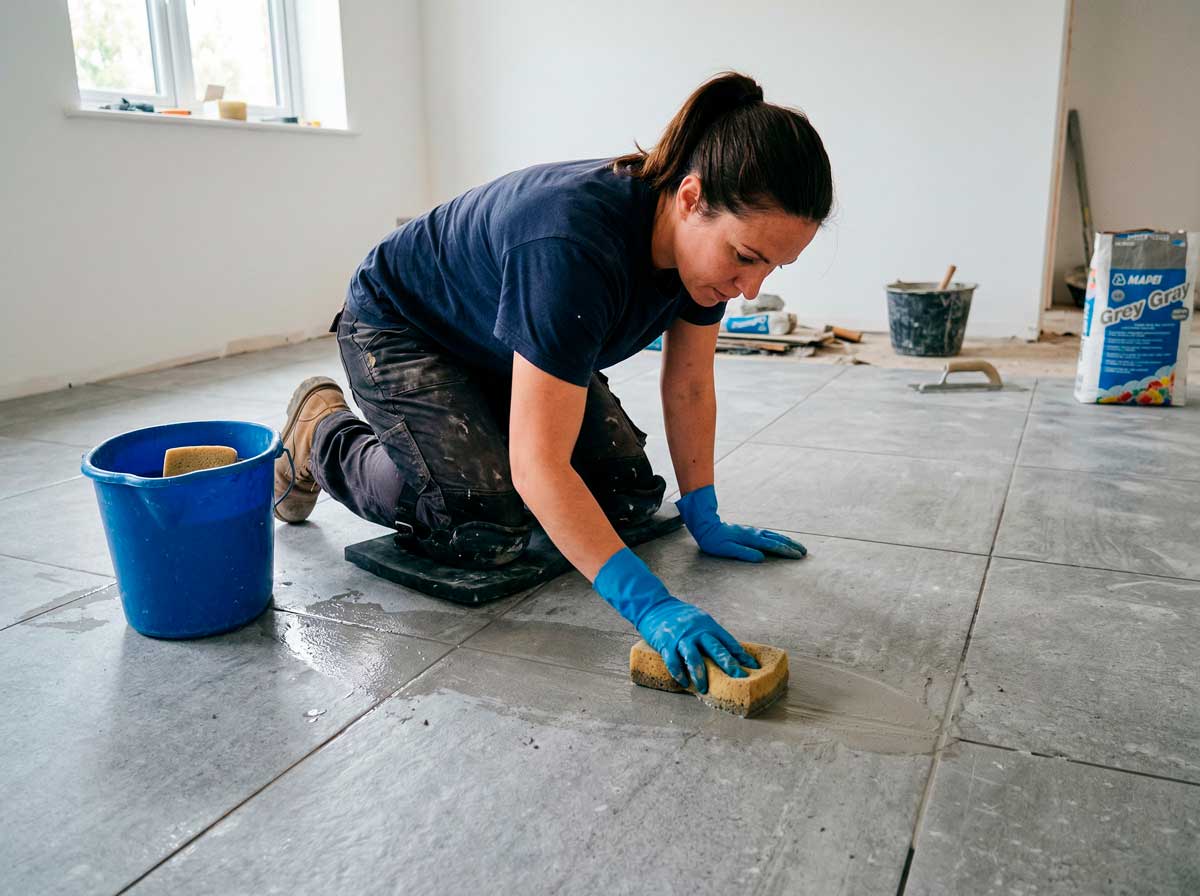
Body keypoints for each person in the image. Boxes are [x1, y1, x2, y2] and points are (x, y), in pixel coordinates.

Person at [274, 71, 833, 695]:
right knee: (482, 523)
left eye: (773, 266)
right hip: (404, 327)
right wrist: (649, 604)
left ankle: (478, 432)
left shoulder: (704, 258)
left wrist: (705, 515)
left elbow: (690, 384)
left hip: (498, 341)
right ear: (690, 197)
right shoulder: (571, 244)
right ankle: (320, 438)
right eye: (747, 257)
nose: (751, 288)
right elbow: (539, 466)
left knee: (627, 498)